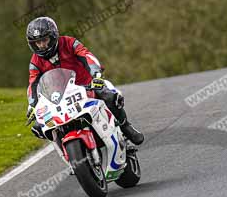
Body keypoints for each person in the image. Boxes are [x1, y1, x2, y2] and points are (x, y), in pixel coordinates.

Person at [24, 16, 145, 145]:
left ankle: (125, 126)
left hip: (87, 85)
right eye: (38, 42)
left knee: (110, 97)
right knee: (39, 126)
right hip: (60, 96)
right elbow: (33, 83)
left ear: (53, 36)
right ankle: (66, 149)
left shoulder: (69, 43)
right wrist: (32, 104)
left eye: (45, 40)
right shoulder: (35, 61)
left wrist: (96, 75)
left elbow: (86, 56)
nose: (42, 45)